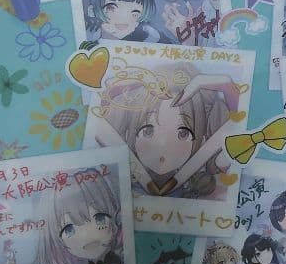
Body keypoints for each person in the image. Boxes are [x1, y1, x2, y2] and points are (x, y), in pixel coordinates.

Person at [95, 64, 237, 200]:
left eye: (183, 134)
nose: (162, 143)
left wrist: (228, 88)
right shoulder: (119, 174)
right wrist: (128, 83)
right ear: (128, 133)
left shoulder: (204, 175)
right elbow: (99, 126)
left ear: (203, 139)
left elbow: (237, 129)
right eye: (148, 131)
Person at [36, 169, 128, 264]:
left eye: (99, 218)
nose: (86, 234)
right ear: (58, 240)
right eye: (69, 229)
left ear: (115, 216)